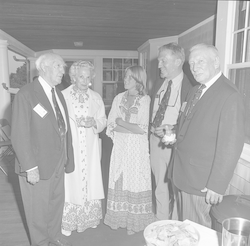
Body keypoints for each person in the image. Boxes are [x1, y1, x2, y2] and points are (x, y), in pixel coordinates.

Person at [171, 43, 245, 227]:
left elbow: (231, 144)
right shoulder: (196, 90)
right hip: (183, 172)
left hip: (201, 180)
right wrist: (172, 133)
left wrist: (217, 185)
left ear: (216, 62)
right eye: (192, 63)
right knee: (186, 227)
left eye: (200, 61)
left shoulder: (229, 95)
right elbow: (189, 127)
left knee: (195, 231)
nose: (195, 67)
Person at [11, 53, 74, 246]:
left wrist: (68, 159)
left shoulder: (59, 95)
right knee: (37, 210)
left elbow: (63, 128)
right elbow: (19, 134)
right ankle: (40, 243)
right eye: (59, 66)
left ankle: (53, 237)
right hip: (37, 164)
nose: (63, 71)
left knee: (55, 204)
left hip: (57, 160)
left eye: (63, 67)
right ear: (44, 67)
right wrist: (30, 167)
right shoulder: (27, 93)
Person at [104, 65, 155, 235]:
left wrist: (122, 123)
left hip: (137, 150)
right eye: (125, 77)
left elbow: (143, 128)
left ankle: (135, 222)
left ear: (138, 81)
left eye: (129, 78)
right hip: (119, 148)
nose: (125, 80)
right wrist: (124, 126)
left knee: (135, 181)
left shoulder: (145, 100)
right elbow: (110, 124)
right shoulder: (119, 98)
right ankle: (121, 219)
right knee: (120, 180)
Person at [61, 60, 106, 235]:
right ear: (73, 77)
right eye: (81, 76)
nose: (85, 80)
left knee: (90, 180)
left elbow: (103, 120)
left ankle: (90, 218)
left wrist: (94, 122)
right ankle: (69, 222)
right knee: (70, 180)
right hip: (70, 145)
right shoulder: (62, 96)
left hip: (89, 146)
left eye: (88, 77)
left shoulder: (96, 97)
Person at [149, 42, 193, 220]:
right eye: (159, 60)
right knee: (160, 183)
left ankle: (174, 224)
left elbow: (190, 122)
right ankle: (161, 221)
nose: (159, 65)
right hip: (155, 141)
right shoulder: (159, 84)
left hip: (175, 142)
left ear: (178, 61)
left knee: (176, 186)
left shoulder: (190, 88)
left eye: (163, 61)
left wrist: (170, 131)